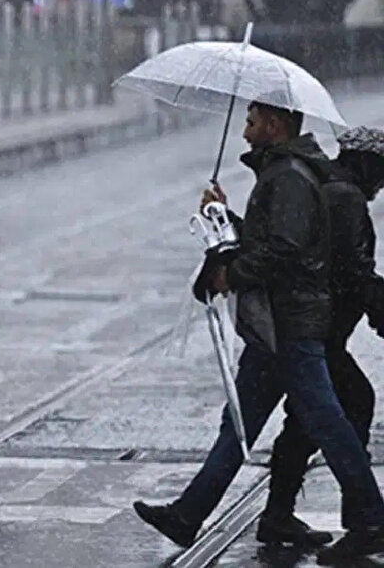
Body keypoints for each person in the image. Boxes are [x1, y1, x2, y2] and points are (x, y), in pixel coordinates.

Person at [133, 101, 384, 563]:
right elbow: (271, 240)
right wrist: (222, 218)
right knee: (242, 425)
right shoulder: (283, 172)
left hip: (290, 323)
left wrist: (235, 274)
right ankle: (188, 515)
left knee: (327, 420)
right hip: (275, 325)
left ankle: (370, 518)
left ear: (276, 124)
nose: (245, 134)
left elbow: (285, 250)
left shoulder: (288, 174)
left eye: (252, 123)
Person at [259, 125, 384, 543]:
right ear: (364, 163)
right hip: (318, 330)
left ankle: (278, 516)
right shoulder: (346, 197)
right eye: (381, 171)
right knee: (350, 404)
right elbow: (353, 270)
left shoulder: (328, 187)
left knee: (305, 419)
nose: (382, 183)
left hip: (311, 328)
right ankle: (364, 521)